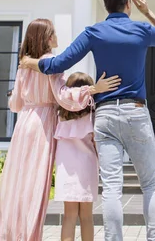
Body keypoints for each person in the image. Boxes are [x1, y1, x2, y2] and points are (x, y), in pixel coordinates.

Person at [20, 0, 155, 241]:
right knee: (150, 185)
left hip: (105, 116)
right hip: (136, 112)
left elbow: (57, 64)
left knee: (112, 190)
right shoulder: (141, 29)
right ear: (128, 4)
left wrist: (30, 61)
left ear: (106, 5)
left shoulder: (94, 32)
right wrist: (149, 13)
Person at [0, 18, 121, 241]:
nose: (56, 36)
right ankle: (28, 235)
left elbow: (16, 104)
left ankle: (12, 233)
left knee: (19, 183)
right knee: (36, 185)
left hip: (24, 124)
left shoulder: (24, 65)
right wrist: (92, 89)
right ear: (47, 37)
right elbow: (63, 97)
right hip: (43, 123)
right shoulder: (50, 62)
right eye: (53, 33)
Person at [54, 72, 99, 241]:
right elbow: (96, 143)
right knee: (87, 216)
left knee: (69, 216)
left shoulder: (59, 116)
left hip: (66, 168)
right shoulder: (93, 116)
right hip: (87, 167)